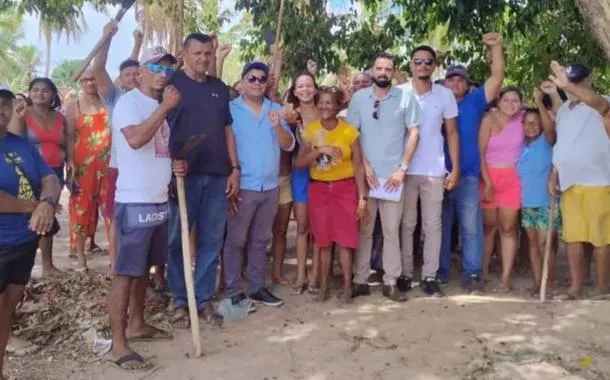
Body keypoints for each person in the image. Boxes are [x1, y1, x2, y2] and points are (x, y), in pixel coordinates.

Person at [107, 47, 185, 372]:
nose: (162, 73)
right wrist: (166, 107)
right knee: (125, 273)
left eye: (168, 68)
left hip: (157, 198)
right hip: (134, 200)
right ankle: (117, 343)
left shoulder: (155, 106)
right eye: (156, 66)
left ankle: (138, 324)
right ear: (140, 69)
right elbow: (136, 139)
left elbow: (156, 150)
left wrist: (174, 164)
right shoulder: (129, 103)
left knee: (144, 269)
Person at [166, 33, 237, 329]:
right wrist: (169, 166)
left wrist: (235, 167)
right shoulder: (171, 87)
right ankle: (181, 299)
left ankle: (203, 298)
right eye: (197, 53)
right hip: (183, 176)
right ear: (184, 54)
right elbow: (160, 129)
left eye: (207, 54)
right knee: (176, 239)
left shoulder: (219, 88)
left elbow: (227, 130)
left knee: (211, 239)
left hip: (217, 173)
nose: (203, 59)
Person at [347, 52, 421, 302]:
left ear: (393, 72)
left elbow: (414, 133)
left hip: (393, 177)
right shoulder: (358, 98)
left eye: (388, 69)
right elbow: (352, 135)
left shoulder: (405, 97)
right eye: (379, 68)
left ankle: (391, 282)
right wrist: (364, 165)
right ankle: (360, 280)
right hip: (366, 176)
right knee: (365, 229)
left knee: (391, 231)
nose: (383, 73)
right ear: (372, 70)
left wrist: (402, 168)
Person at [0, 85, 61, 380]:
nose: (0, 111)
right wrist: (36, 206)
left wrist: (48, 203)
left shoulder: (20, 144)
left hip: (24, 240)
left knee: (9, 306)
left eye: (4, 106)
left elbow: (49, 176)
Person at [223, 61, 295, 310]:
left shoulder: (276, 110)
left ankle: (256, 287)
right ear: (242, 82)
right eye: (251, 78)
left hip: (270, 186)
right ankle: (232, 290)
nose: (256, 83)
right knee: (235, 240)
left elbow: (288, 145)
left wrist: (277, 125)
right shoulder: (229, 110)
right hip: (242, 186)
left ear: (267, 83)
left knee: (260, 240)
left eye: (261, 79)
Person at [438, 33, 504, 292]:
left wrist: (496, 48)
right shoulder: (434, 102)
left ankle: (473, 273)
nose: (455, 83)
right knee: (439, 228)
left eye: (460, 80)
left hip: (467, 176)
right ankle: (438, 272)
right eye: (450, 79)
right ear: (443, 84)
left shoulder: (475, 102)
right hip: (438, 176)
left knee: (470, 228)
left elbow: (497, 77)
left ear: (467, 86)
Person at [295, 86, 367, 302]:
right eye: (322, 102)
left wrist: (362, 197)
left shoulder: (349, 131)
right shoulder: (310, 131)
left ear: (338, 106)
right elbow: (299, 163)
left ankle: (346, 286)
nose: (325, 106)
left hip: (345, 189)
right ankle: (324, 285)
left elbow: (358, 165)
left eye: (329, 102)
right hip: (319, 189)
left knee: (346, 240)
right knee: (323, 240)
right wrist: (319, 151)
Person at [399, 46, 459, 297]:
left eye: (428, 62)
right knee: (406, 223)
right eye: (418, 61)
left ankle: (429, 276)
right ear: (411, 64)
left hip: (434, 169)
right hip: (404, 170)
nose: (422, 65)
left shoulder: (445, 95)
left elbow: (452, 133)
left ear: (434, 66)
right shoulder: (398, 93)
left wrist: (454, 169)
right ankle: (403, 273)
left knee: (433, 225)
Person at [547, 61, 610, 299]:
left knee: (601, 238)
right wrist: (554, 173)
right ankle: (575, 287)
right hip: (569, 183)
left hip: (598, 181)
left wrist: (567, 88)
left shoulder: (601, 101)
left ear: (587, 81)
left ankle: (602, 287)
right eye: (568, 82)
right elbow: (562, 144)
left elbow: (602, 106)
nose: (571, 86)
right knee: (572, 238)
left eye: (575, 82)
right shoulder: (564, 110)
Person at [92, 21, 143, 273]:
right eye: (127, 74)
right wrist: (107, 37)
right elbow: (98, 68)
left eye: (137, 73)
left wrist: (137, 44)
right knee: (115, 218)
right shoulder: (115, 98)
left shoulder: (154, 99)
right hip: (118, 168)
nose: (133, 77)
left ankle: (145, 271)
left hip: (146, 172)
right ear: (121, 80)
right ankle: (116, 266)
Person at [10, 78, 67, 278]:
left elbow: (67, 144)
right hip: (29, 175)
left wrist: (72, 165)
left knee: (47, 216)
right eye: (35, 90)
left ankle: (48, 266)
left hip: (56, 173)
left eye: (45, 90)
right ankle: (22, 268)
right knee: (28, 217)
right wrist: (17, 118)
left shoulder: (60, 118)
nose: (39, 94)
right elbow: (14, 143)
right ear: (29, 92)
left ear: (53, 95)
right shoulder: (22, 115)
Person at [277, 71, 320, 294]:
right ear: (294, 91)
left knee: (318, 228)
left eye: (308, 85)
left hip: (324, 175)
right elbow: (289, 147)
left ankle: (315, 275)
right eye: (300, 86)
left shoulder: (325, 111)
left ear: (315, 87)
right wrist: (295, 124)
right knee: (302, 227)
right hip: (301, 174)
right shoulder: (289, 116)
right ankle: (301, 275)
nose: (305, 89)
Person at [479, 87, 525, 292]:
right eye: (506, 100)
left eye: (515, 101)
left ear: (521, 103)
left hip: (513, 179)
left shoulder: (524, 119)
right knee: (489, 227)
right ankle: (483, 272)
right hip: (488, 177)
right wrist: (488, 183)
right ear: (499, 101)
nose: (511, 104)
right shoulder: (488, 119)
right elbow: (480, 153)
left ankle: (505, 278)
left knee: (508, 229)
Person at [65, 71, 111, 271]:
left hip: (109, 166)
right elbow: (68, 137)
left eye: (92, 78)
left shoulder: (108, 101)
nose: (89, 82)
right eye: (84, 79)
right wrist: (70, 163)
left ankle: (115, 260)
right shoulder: (72, 107)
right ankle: (82, 258)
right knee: (81, 210)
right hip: (82, 166)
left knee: (111, 212)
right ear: (80, 83)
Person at [516, 90, 558, 294]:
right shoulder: (522, 146)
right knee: (532, 245)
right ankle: (537, 281)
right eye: (527, 123)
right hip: (527, 203)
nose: (531, 126)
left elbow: (550, 129)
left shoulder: (546, 141)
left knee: (545, 244)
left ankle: (548, 283)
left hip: (546, 202)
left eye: (535, 122)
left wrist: (539, 104)